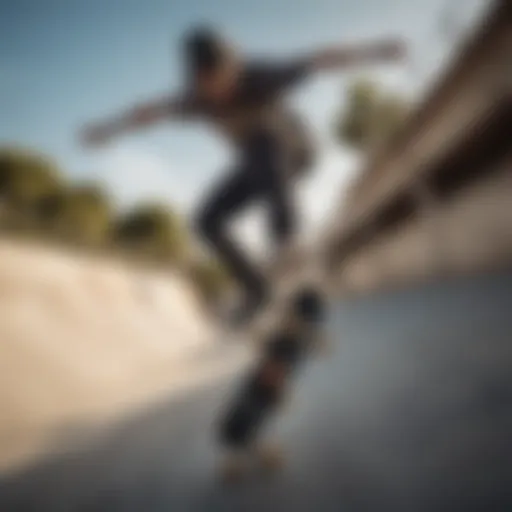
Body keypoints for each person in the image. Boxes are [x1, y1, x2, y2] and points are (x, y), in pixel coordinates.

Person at [81, 26, 406, 326]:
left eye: (225, 79)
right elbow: (151, 112)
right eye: (209, 85)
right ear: (197, 81)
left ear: (235, 67)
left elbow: (320, 59)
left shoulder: (261, 76)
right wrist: (108, 130)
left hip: (297, 151)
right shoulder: (196, 101)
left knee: (261, 145)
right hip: (257, 167)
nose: (220, 91)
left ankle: (287, 244)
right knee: (207, 220)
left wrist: (376, 51)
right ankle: (256, 290)